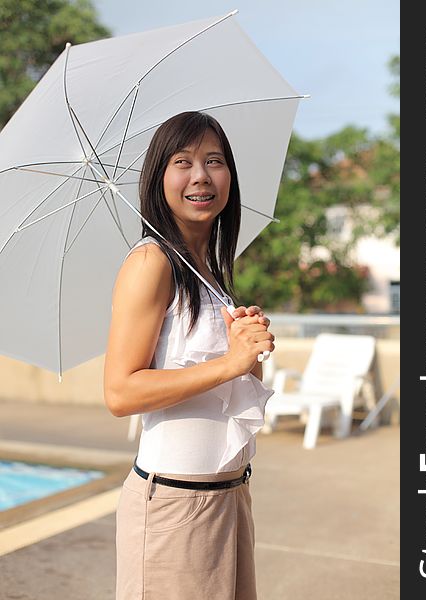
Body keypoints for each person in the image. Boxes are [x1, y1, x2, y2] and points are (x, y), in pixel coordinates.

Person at [104, 111, 275, 600]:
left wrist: (249, 345)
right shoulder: (150, 263)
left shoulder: (210, 274)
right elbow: (120, 392)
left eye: (214, 161)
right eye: (183, 162)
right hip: (175, 505)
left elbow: (227, 392)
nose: (201, 175)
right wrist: (229, 362)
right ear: (159, 179)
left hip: (229, 496)